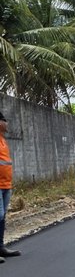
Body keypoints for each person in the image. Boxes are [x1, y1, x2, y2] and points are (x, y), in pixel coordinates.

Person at [0, 110, 22, 261]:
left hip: (5, 184)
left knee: (2, 217)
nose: (7, 124)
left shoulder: (2, 140)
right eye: (4, 121)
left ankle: (0, 247)